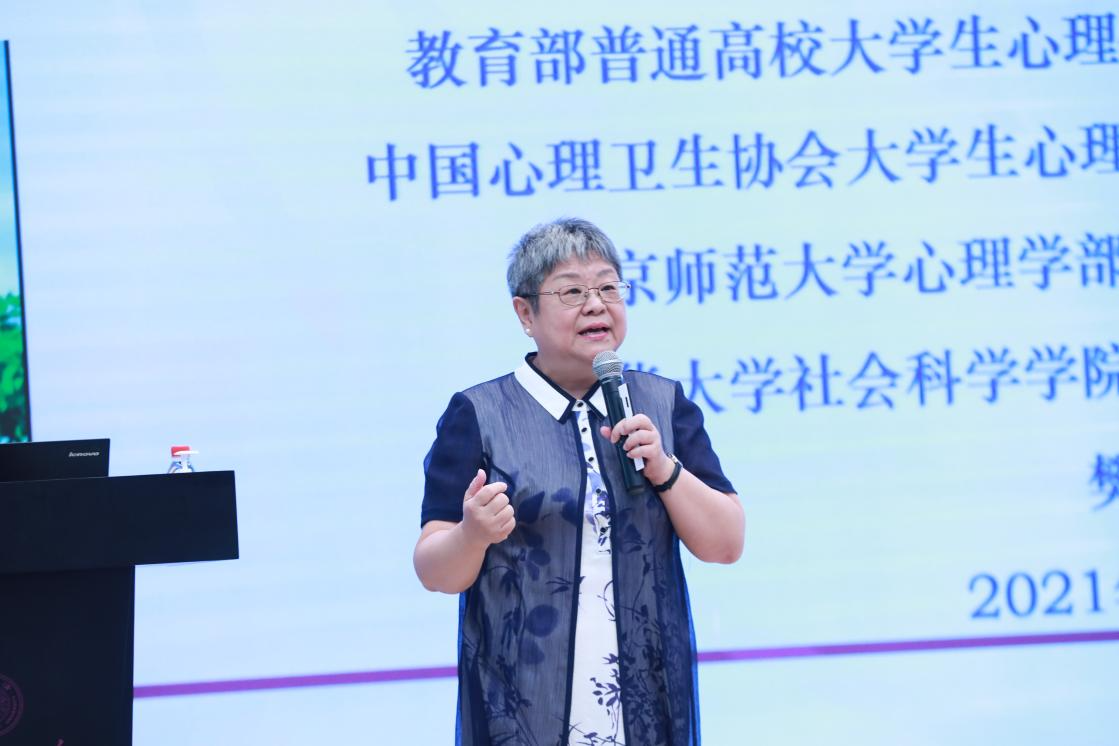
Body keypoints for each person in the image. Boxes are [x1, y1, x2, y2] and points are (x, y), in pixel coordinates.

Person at [414, 218, 744, 746]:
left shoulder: (662, 403)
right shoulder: (480, 414)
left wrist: (665, 470)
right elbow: (434, 571)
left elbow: (726, 544)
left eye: (609, 287)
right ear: (525, 313)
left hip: (646, 704)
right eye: (572, 292)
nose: (597, 305)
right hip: (522, 707)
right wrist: (472, 534)